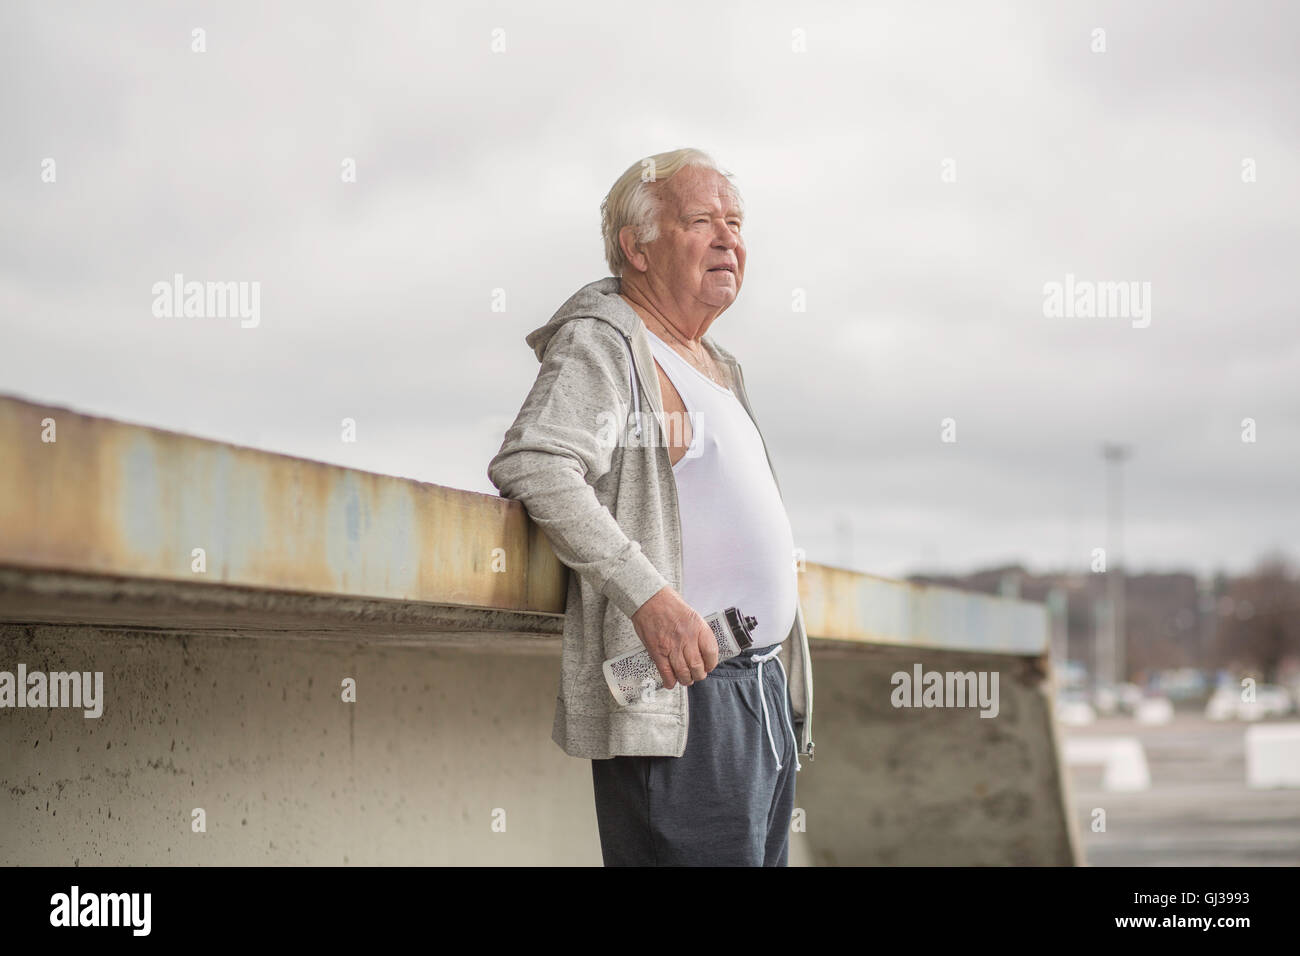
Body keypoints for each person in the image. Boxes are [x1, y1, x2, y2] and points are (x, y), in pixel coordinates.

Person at [487, 147, 814, 866]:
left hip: (758, 692)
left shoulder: (716, 364)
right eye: (701, 221)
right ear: (637, 247)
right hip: (686, 695)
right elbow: (536, 462)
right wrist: (649, 599)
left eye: (736, 221)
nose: (729, 238)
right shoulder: (608, 341)